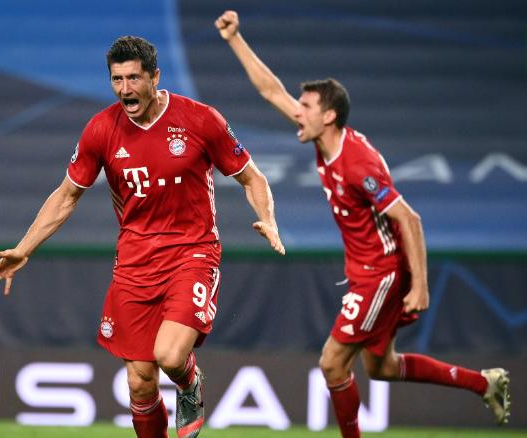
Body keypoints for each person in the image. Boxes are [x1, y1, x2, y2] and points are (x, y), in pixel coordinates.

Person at [216, 10, 510, 435]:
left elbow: (409, 218)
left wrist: (421, 285)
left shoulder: (357, 164)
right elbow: (271, 92)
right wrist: (235, 39)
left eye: (306, 107)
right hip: (365, 270)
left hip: (381, 272)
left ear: (329, 116)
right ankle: (485, 383)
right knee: (382, 366)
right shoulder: (324, 139)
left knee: (332, 363)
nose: (296, 112)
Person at [0, 35, 285, 438]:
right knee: (140, 382)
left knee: (171, 356)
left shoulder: (200, 119)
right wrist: (24, 248)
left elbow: (252, 177)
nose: (125, 89)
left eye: (134, 78)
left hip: (192, 253)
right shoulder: (102, 130)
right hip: (135, 263)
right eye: (117, 80)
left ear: (155, 77)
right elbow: (67, 195)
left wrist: (268, 219)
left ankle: (190, 383)